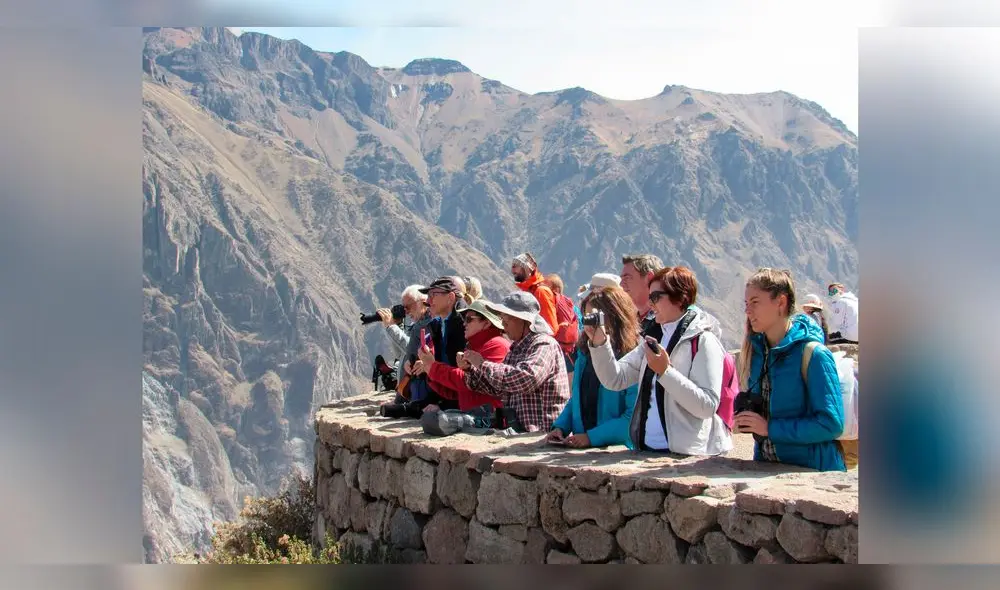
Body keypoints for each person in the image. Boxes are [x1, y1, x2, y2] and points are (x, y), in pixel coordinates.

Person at [588, 266, 732, 455]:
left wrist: (665, 372)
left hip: (687, 454)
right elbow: (615, 379)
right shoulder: (653, 338)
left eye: (656, 297)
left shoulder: (704, 340)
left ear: (680, 298)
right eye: (650, 296)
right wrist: (599, 342)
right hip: (648, 449)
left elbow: (707, 406)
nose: (650, 303)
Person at [735, 268, 846, 472]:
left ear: (781, 302)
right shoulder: (757, 355)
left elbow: (831, 424)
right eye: (746, 304)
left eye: (755, 302)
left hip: (813, 473)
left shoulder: (813, 354)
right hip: (768, 469)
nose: (748, 311)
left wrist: (769, 428)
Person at [461, 291, 570, 432]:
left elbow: (527, 378)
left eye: (507, 319)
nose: (503, 324)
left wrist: (482, 364)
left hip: (544, 432)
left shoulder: (544, 344)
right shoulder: (516, 349)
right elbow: (498, 388)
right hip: (521, 431)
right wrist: (470, 370)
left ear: (522, 320)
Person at [546, 286, 640, 448]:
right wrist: (561, 427)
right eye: (587, 317)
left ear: (615, 316)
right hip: (583, 445)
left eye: (596, 317)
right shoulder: (584, 354)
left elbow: (633, 417)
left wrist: (591, 437)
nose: (590, 324)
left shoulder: (633, 356)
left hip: (617, 450)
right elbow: (577, 399)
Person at [417, 299, 511, 414]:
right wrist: (429, 370)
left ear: (487, 323)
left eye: (469, 319)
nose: (464, 323)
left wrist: (433, 367)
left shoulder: (497, 345)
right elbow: (458, 391)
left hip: (489, 419)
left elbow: (467, 382)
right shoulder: (474, 346)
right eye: (464, 319)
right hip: (476, 417)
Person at [376, 285, 432, 389]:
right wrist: (397, 325)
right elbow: (399, 353)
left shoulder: (430, 324)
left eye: (408, 307)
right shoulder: (415, 324)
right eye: (404, 308)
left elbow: (411, 349)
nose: (406, 312)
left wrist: (391, 327)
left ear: (423, 302)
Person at [511, 252, 559, 334]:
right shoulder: (529, 290)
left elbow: (551, 327)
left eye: (514, 266)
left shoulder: (541, 291)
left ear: (526, 267)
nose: (512, 270)